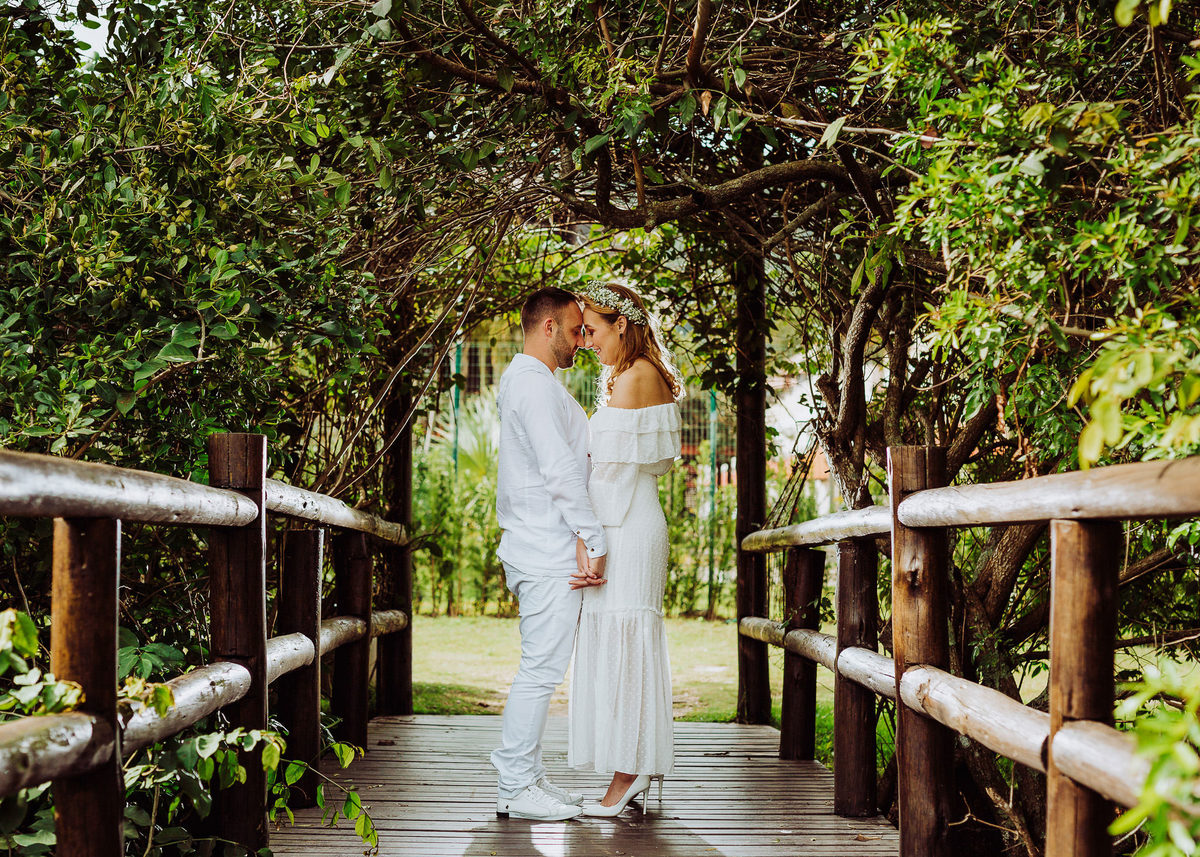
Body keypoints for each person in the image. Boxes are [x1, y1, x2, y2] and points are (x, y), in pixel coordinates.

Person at [490, 286, 608, 822]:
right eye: (576, 329)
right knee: (539, 671)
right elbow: (559, 471)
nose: (583, 340)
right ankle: (514, 785)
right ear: (548, 328)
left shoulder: (535, 382)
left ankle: (530, 777)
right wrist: (595, 537)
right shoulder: (533, 387)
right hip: (542, 549)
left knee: (543, 667)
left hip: (545, 544)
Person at [567, 280, 683, 817]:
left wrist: (594, 545)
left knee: (627, 645)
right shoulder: (626, 374)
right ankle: (629, 766)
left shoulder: (637, 377)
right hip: (623, 520)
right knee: (616, 644)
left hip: (625, 528)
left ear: (623, 324)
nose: (586, 340)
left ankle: (628, 773)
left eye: (592, 329)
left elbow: (612, 474)